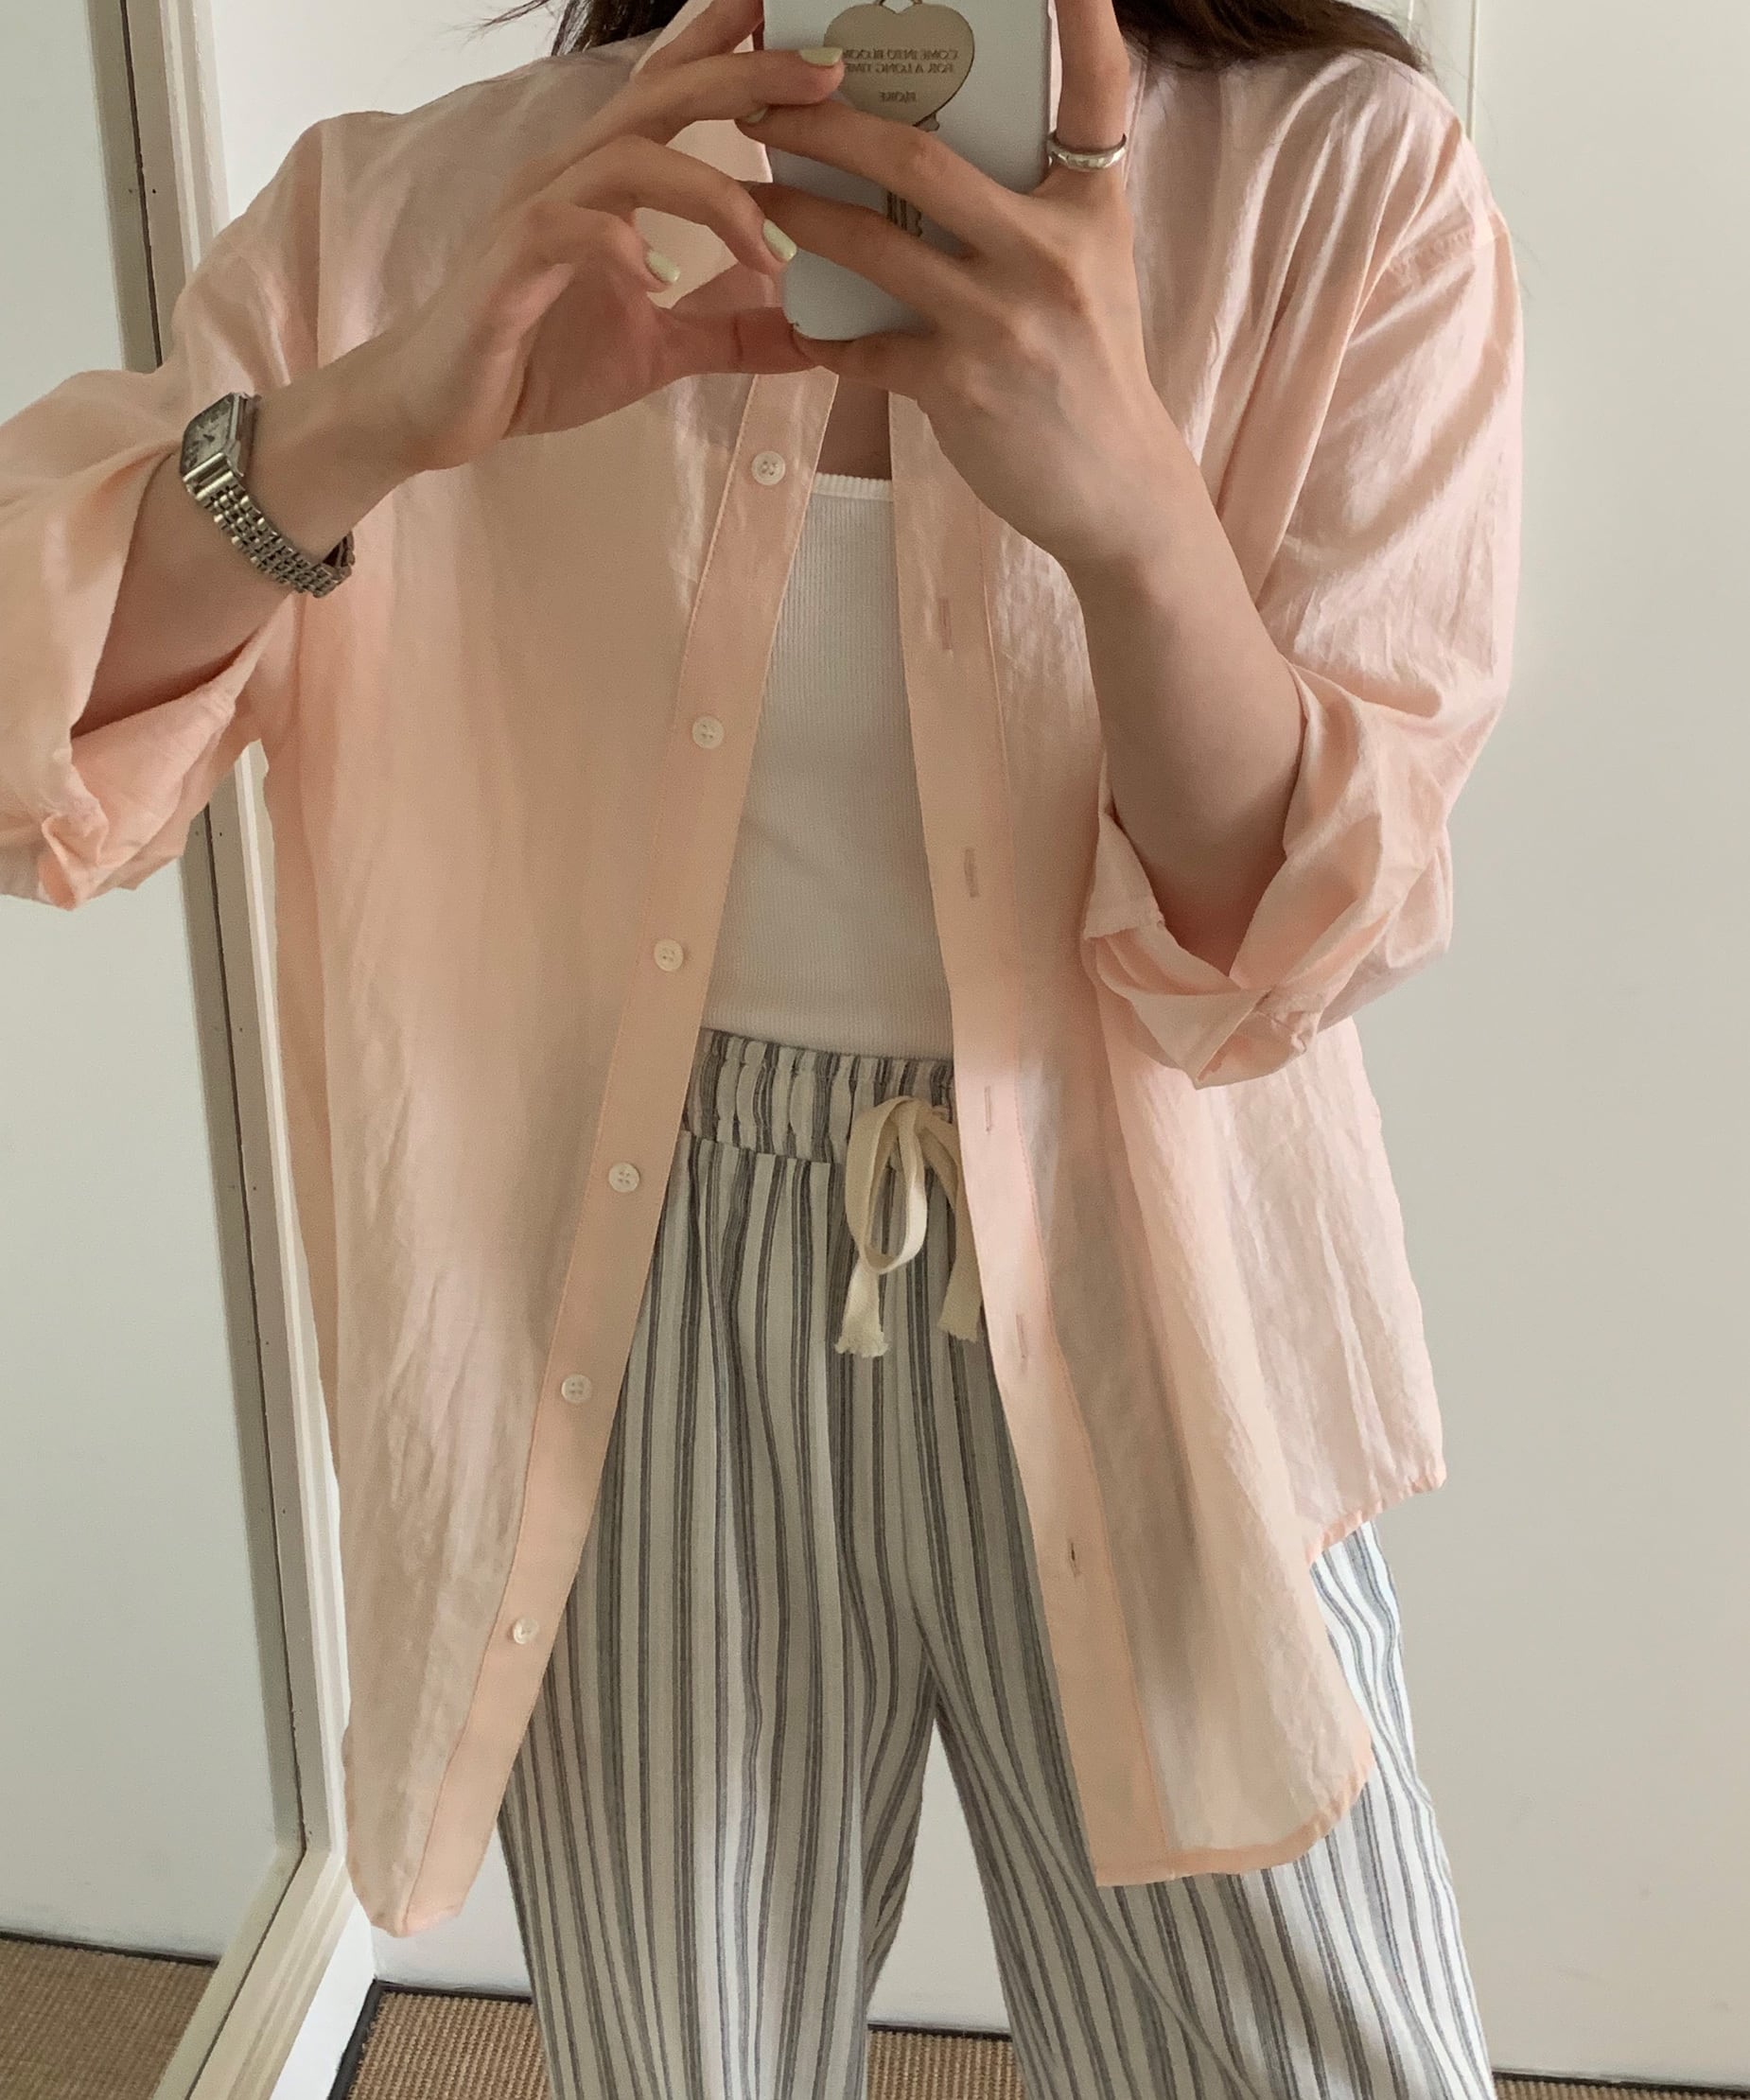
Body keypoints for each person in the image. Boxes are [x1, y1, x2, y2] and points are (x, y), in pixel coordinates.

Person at [0, 0, 1523, 2091]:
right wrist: (358, 426)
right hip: (609, 1310)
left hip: (1145, 1283)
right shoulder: (409, 215)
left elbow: (1293, 938)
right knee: (680, 2056)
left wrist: (1129, 513)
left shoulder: (1333, 179)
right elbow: (35, 748)